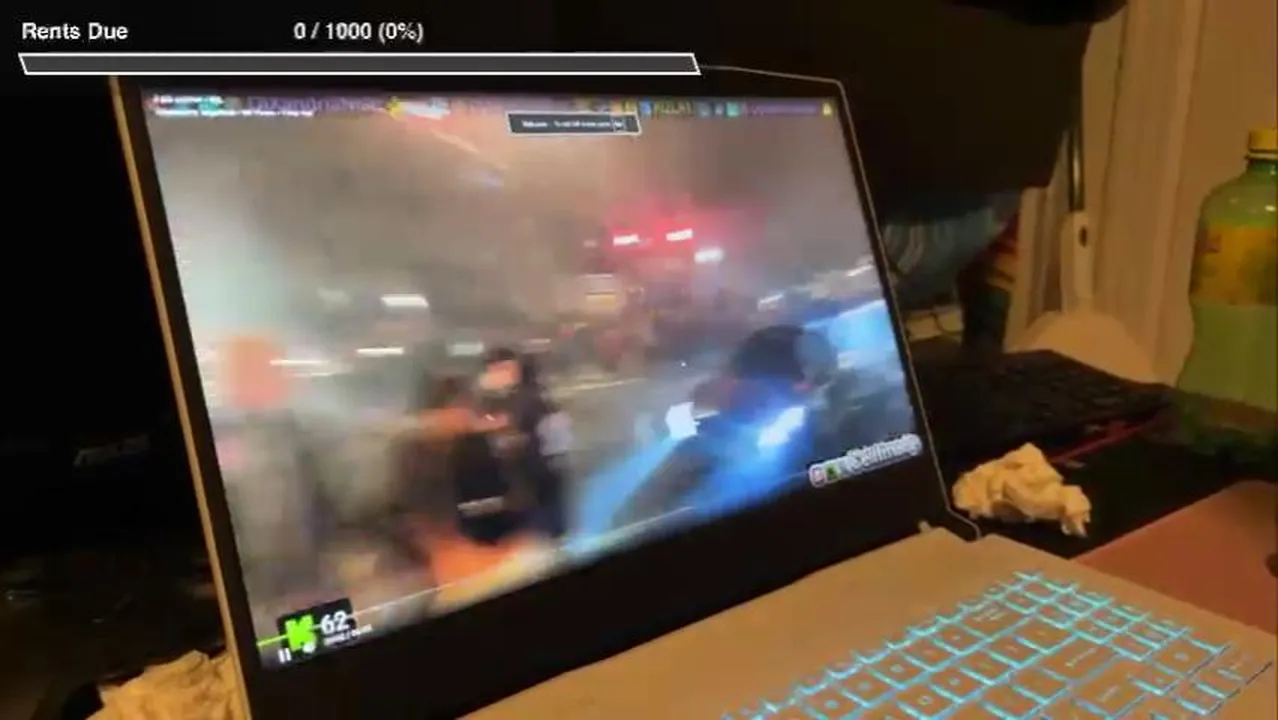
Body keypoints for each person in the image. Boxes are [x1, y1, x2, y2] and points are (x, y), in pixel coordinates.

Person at [477, 348, 574, 542]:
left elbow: (531, 428)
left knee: (545, 516)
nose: (494, 375)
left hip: (536, 467)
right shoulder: (504, 397)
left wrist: (510, 437)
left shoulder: (528, 397)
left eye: (500, 369)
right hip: (532, 469)